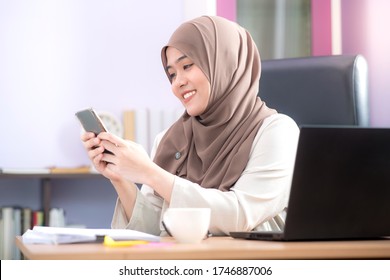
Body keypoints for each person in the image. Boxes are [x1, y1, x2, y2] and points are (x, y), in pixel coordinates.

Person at [81, 15, 299, 236]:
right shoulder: (170, 140)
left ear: (224, 63)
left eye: (187, 66)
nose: (178, 82)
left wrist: (149, 172)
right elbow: (152, 232)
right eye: (172, 74)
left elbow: (240, 216)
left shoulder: (276, 132)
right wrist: (120, 178)